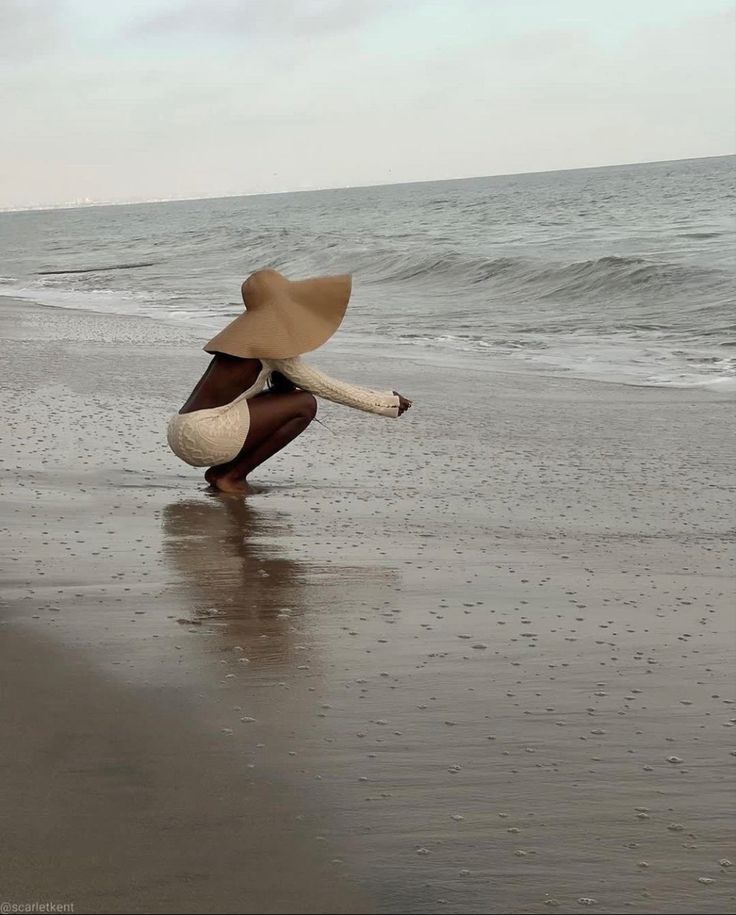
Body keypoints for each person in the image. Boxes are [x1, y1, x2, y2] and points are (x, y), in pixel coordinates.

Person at [167, 268, 412, 494]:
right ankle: (232, 476)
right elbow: (323, 386)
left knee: (287, 399)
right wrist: (385, 403)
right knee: (305, 404)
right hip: (203, 434)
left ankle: (223, 473)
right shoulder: (267, 347)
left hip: (181, 429)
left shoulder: (242, 342)